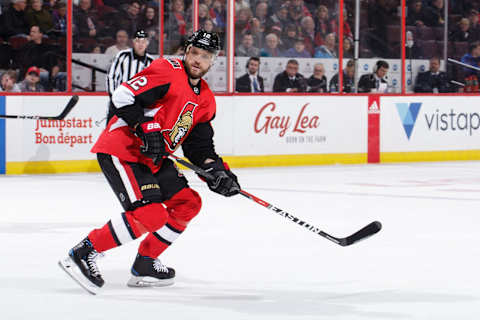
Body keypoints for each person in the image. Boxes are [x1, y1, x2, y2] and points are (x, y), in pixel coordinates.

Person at [58, 30, 241, 294]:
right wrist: (145, 126)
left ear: (214, 60)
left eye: (206, 56)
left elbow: (199, 147)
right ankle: (84, 252)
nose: (198, 60)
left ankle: (145, 262)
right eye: (195, 53)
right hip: (124, 148)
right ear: (187, 51)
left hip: (155, 158)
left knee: (188, 203)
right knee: (151, 214)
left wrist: (217, 172)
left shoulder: (207, 101)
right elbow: (122, 96)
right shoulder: (167, 69)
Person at [106, 29, 154, 122]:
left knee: (133, 135)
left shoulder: (150, 61)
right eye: (137, 41)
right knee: (111, 134)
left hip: (138, 107)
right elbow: (111, 77)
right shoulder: (123, 55)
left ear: (147, 43)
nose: (140, 44)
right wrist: (114, 98)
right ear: (133, 42)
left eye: (143, 41)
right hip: (118, 104)